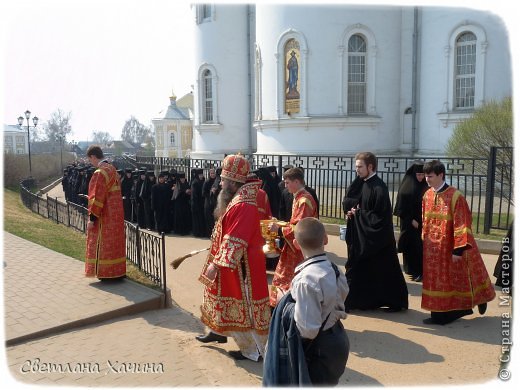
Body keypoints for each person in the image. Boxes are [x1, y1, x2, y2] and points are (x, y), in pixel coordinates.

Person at [196, 154, 271, 362]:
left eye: (223, 179)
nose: (220, 182)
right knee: (220, 300)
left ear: (233, 182)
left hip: (241, 268)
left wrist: (217, 264)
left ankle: (254, 350)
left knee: (245, 308)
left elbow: (235, 238)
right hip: (233, 265)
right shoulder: (238, 200)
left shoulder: (244, 205)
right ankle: (217, 332)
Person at [263, 218, 349, 386]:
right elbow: (341, 295)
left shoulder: (305, 280)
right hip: (337, 339)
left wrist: (285, 303)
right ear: (325, 239)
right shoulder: (333, 268)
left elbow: (308, 330)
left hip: (318, 350)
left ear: (295, 243)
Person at [421, 160, 496, 325]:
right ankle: (438, 314)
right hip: (432, 250)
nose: (427, 179)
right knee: (436, 281)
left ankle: (451, 312)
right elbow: (425, 219)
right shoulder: (427, 195)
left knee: (457, 279)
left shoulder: (455, 196)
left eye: (430, 176)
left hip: (450, 248)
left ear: (441, 175)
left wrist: (458, 250)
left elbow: (462, 224)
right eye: (426, 176)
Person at [342, 152, 408, 312]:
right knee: (359, 270)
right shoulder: (360, 183)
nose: (356, 170)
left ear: (370, 167)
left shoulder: (379, 188)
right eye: (356, 166)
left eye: (360, 166)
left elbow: (380, 217)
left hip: (378, 241)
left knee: (384, 272)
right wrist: (351, 211)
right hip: (361, 237)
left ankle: (395, 302)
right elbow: (350, 201)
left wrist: (358, 214)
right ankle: (355, 301)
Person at [269, 167, 318, 307]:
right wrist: (279, 223)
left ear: (297, 181)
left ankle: (285, 308)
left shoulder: (304, 201)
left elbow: (299, 228)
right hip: (294, 246)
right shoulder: (299, 197)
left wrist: (278, 228)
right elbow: (294, 223)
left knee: (288, 279)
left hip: (299, 248)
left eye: (287, 182)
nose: (285, 185)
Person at [85, 145, 126, 280]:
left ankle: (105, 273)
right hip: (116, 214)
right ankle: (117, 272)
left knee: (103, 243)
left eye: (90, 160)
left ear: (93, 157)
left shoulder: (100, 173)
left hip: (105, 216)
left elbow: (97, 197)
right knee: (115, 243)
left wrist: (92, 219)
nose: (91, 163)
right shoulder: (113, 169)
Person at [393, 161, 428, 282]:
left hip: (423, 222)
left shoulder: (426, 186)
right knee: (411, 247)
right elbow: (401, 207)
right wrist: (411, 220)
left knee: (421, 248)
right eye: (418, 175)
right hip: (409, 223)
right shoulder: (406, 187)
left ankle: (420, 272)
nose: (421, 177)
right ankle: (413, 271)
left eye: (423, 175)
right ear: (413, 174)